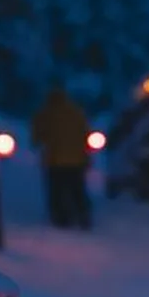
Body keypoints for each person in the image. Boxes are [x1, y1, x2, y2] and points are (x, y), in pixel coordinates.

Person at [31, 84, 93, 229]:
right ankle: (83, 215)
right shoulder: (77, 112)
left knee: (57, 190)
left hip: (55, 160)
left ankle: (61, 217)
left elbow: (37, 137)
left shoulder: (45, 114)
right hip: (77, 160)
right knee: (77, 189)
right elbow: (86, 134)